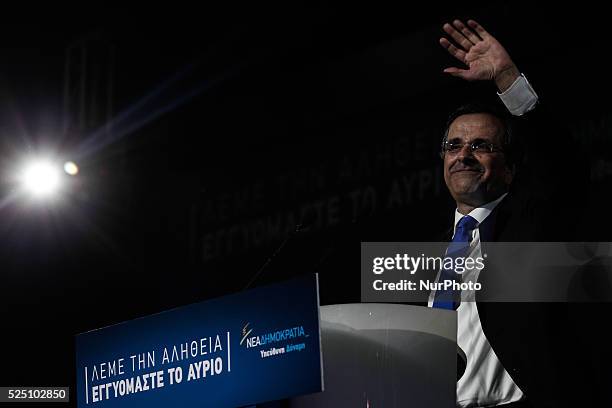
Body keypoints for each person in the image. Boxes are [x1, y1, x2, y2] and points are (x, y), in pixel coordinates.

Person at [431, 18, 607, 408]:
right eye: (454, 145)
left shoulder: (530, 226)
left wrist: (508, 78)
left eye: (481, 146)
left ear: (509, 168)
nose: (463, 154)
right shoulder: (423, 254)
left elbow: (563, 167)